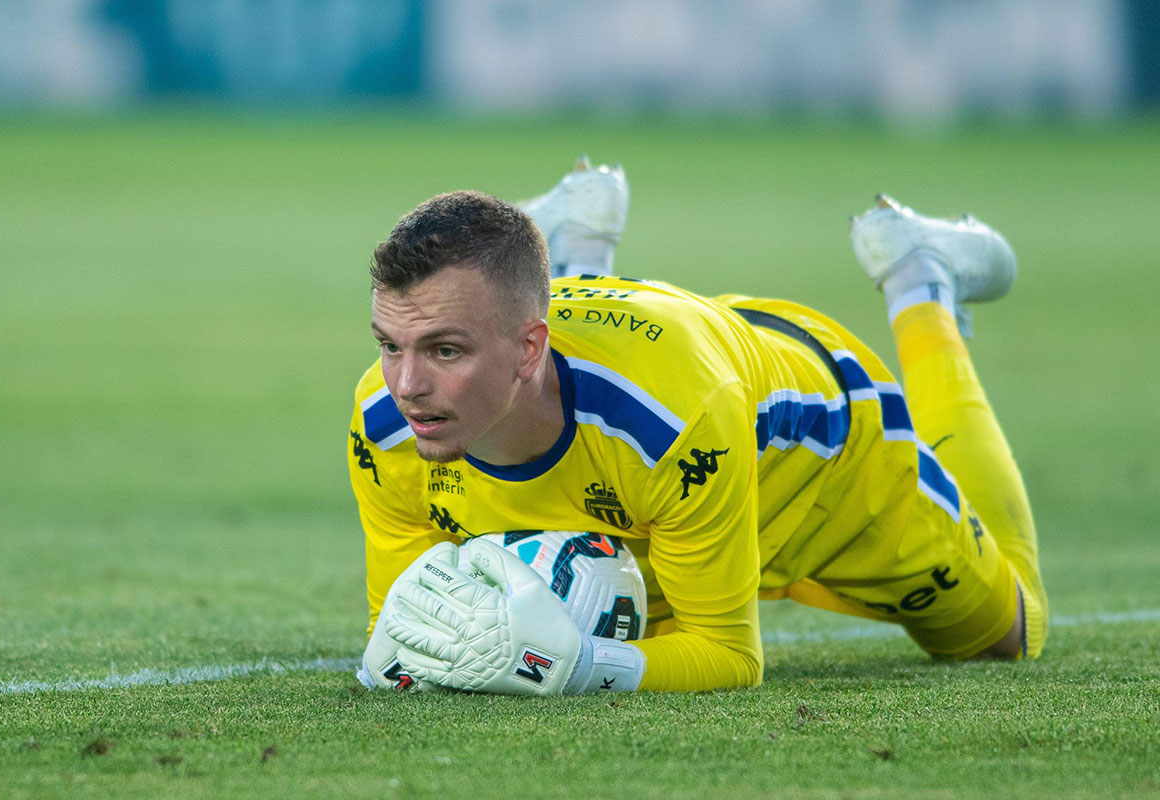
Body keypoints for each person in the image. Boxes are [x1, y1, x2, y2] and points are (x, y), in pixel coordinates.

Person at [347, 161, 1047, 695]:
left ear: (530, 347)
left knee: (1005, 633)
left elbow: (729, 654)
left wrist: (579, 666)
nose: (406, 386)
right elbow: (406, 626)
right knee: (613, 613)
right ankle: (569, 248)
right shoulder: (382, 426)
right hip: (641, 440)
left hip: (820, 455)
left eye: (445, 350)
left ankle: (920, 280)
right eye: (389, 345)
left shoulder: (672, 425)